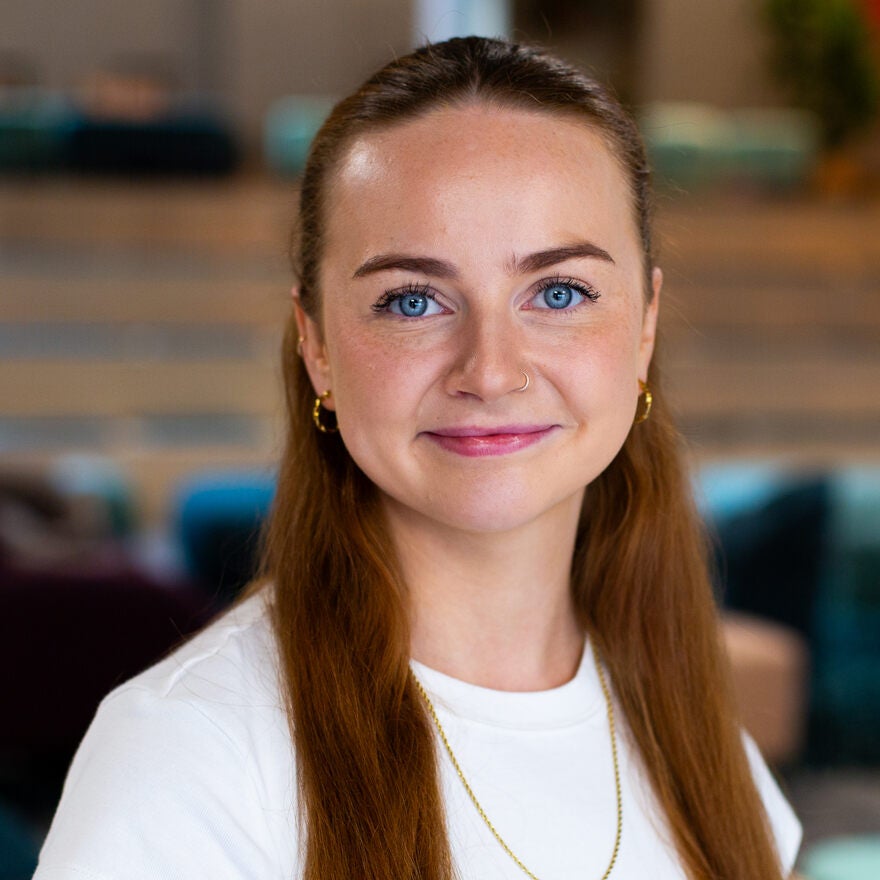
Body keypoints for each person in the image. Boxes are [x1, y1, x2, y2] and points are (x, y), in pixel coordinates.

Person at [34, 37, 802, 880]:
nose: (491, 370)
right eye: (413, 300)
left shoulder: (701, 746)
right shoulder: (187, 759)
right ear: (317, 343)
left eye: (559, 292)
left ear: (645, 324)